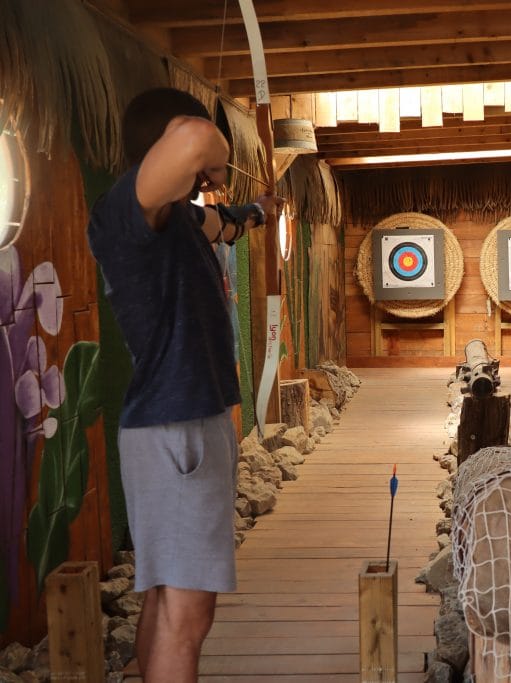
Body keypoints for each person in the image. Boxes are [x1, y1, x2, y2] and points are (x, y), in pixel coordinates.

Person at [87, 88, 273, 682]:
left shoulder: (181, 219)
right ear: (169, 142)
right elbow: (197, 139)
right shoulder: (124, 213)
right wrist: (214, 155)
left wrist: (259, 209)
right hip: (176, 428)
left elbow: (227, 224)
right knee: (187, 616)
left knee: (168, 599)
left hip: (185, 423)